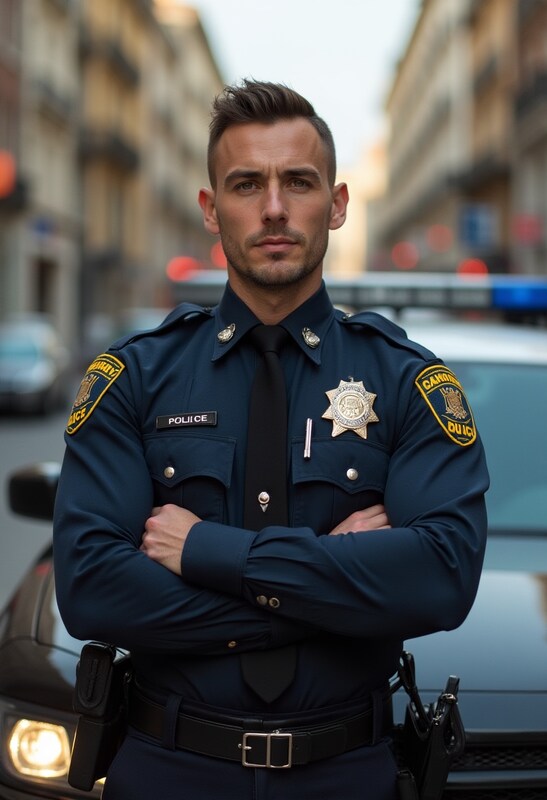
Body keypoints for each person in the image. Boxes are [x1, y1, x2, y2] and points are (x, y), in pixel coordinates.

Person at [53, 80, 489, 800]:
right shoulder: (134, 378)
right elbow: (93, 590)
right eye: (247, 184)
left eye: (299, 182)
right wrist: (336, 587)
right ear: (210, 208)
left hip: (348, 774)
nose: (275, 207)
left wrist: (207, 552)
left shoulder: (407, 382)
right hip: (168, 770)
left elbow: (441, 578)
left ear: (337, 204)